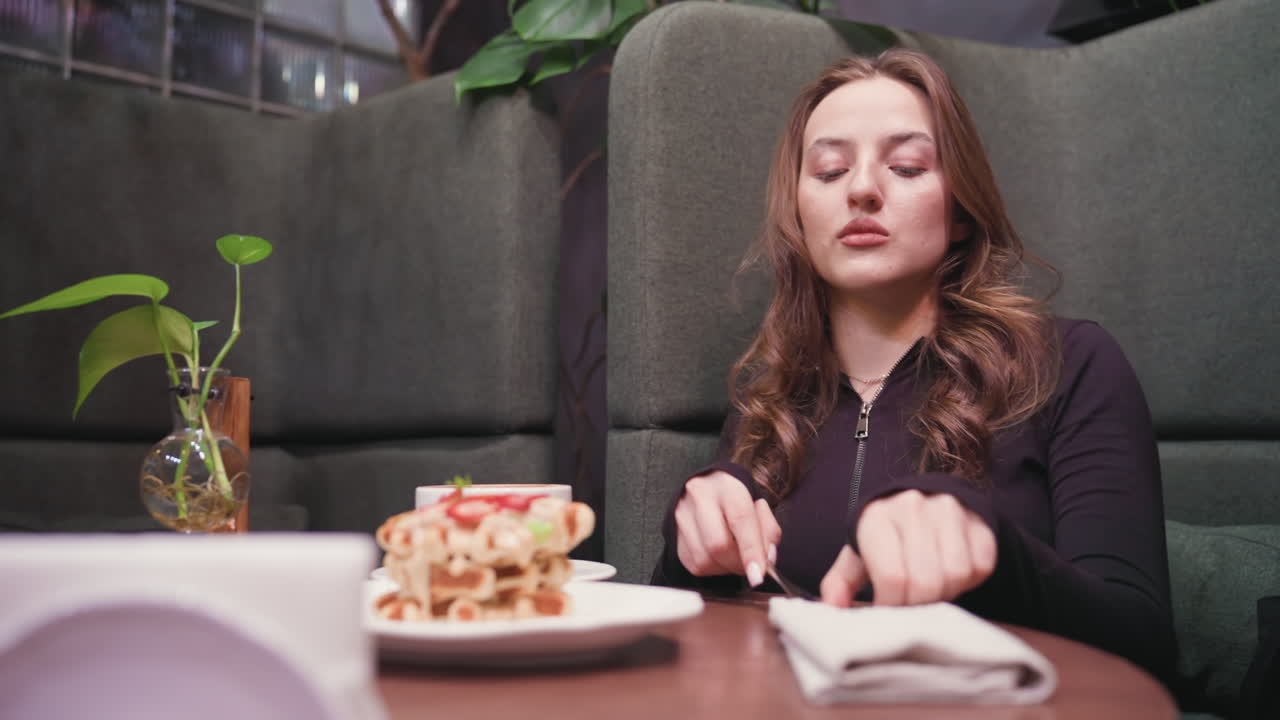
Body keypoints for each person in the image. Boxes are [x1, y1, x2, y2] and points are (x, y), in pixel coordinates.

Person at [650, 49, 1177, 683]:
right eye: (829, 170)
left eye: (905, 166)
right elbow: (695, 652)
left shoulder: (1071, 364)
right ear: (798, 215)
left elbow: (1144, 649)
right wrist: (690, 556)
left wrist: (993, 551)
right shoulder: (770, 397)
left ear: (959, 210)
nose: (863, 189)